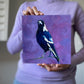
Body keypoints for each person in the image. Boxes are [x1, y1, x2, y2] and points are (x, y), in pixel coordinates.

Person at [7, 0, 84, 84]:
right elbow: (12, 49)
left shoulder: (74, 8)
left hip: (63, 81)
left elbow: (50, 45)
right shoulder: (26, 7)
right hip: (25, 79)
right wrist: (27, 28)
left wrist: (69, 61)